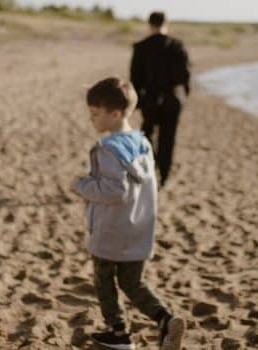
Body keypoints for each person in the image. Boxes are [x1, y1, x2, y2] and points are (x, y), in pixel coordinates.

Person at [71, 77, 185, 350]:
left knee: (104, 282)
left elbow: (114, 191)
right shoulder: (142, 142)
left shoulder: (109, 149)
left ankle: (119, 333)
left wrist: (81, 185)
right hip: (139, 227)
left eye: (95, 114)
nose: (92, 120)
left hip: (111, 230)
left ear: (116, 114)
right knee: (133, 283)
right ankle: (165, 320)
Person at [130, 11, 190, 189]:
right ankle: (164, 176)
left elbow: (135, 79)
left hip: (149, 99)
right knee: (168, 139)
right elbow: (184, 77)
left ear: (150, 24)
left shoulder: (141, 47)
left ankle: (150, 169)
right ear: (166, 23)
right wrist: (183, 98)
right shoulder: (177, 46)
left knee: (147, 135)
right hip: (172, 99)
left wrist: (137, 102)